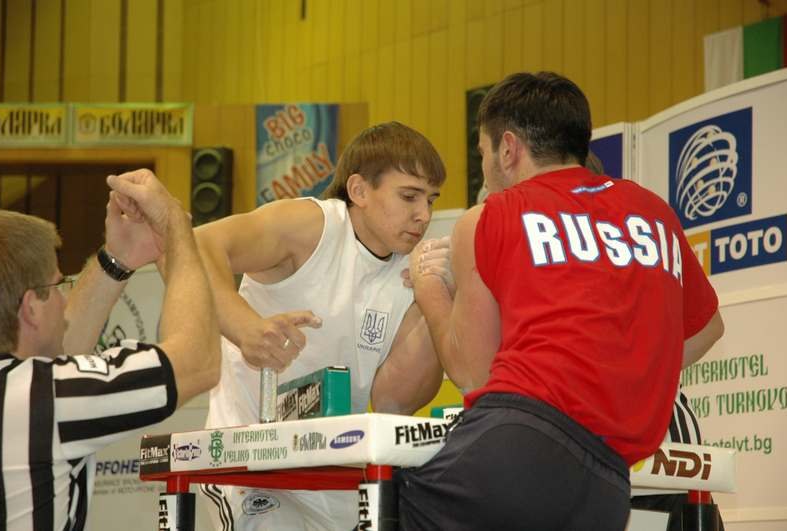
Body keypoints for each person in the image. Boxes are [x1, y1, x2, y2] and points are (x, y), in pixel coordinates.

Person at [398, 72, 725, 530]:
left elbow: (472, 373)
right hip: (607, 475)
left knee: (385, 503)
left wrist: (427, 281)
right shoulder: (654, 211)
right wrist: (628, 374)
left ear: (507, 149)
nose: (487, 167)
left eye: (483, 153)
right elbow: (708, 327)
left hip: (518, 446)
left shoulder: (491, 216)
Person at [194, 121, 447, 530]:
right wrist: (245, 329)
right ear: (360, 190)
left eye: (432, 200)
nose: (424, 215)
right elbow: (199, 246)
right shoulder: (312, 225)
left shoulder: (410, 272)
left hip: (335, 468)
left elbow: (392, 403)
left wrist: (434, 302)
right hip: (251, 463)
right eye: (409, 196)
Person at [0, 169, 221, 530]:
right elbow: (198, 362)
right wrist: (177, 229)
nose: (64, 299)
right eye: (57, 286)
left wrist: (118, 258)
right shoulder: (40, 397)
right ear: (31, 308)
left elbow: (57, 352)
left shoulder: (15, 390)